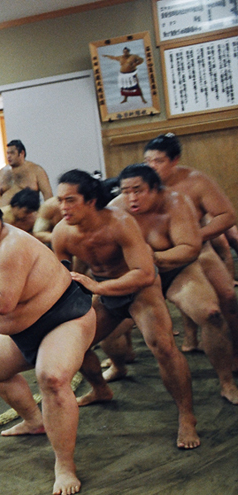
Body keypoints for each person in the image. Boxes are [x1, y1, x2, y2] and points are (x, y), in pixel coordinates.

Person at [0, 199, 95, 495]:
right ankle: (35, 421)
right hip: (23, 330)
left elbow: (3, 303)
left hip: (65, 317)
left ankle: (65, 465)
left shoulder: (12, 245)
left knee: (52, 378)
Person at [51, 169, 199, 450]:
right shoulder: (61, 232)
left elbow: (144, 273)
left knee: (164, 347)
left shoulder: (120, 223)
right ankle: (100, 390)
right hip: (104, 290)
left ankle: (186, 416)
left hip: (140, 290)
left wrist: (99, 287)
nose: (63, 207)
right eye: (60, 201)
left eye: (70, 200)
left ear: (91, 201)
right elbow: (61, 275)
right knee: (72, 344)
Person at [102, 164, 238, 404]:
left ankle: (227, 382)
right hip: (137, 278)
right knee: (108, 333)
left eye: (138, 190)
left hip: (177, 270)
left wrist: (153, 258)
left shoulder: (177, 203)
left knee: (212, 314)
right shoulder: (115, 211)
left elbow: (190, 248)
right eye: (126, 191)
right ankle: (118, 366)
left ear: (155, 188)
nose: (131, 198)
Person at [144, 133, 238, 355]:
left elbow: (226, 216)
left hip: (199, 251)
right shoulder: (140, 186)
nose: (152, 166)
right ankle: (189, 338)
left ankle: (235, 350)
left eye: (158, 161)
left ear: (174, 160)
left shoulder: (196, 181)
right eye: (147, 161)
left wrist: (195, 237)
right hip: (159, 258)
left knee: (227, 296)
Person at [0, 139, 54, 205]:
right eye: (8, 153)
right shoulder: (1, 173)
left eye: (12, 153)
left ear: (22, 153)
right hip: (5, 210)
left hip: (30, 210)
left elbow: (48, 195)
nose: (9, 156)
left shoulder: (36, 170)